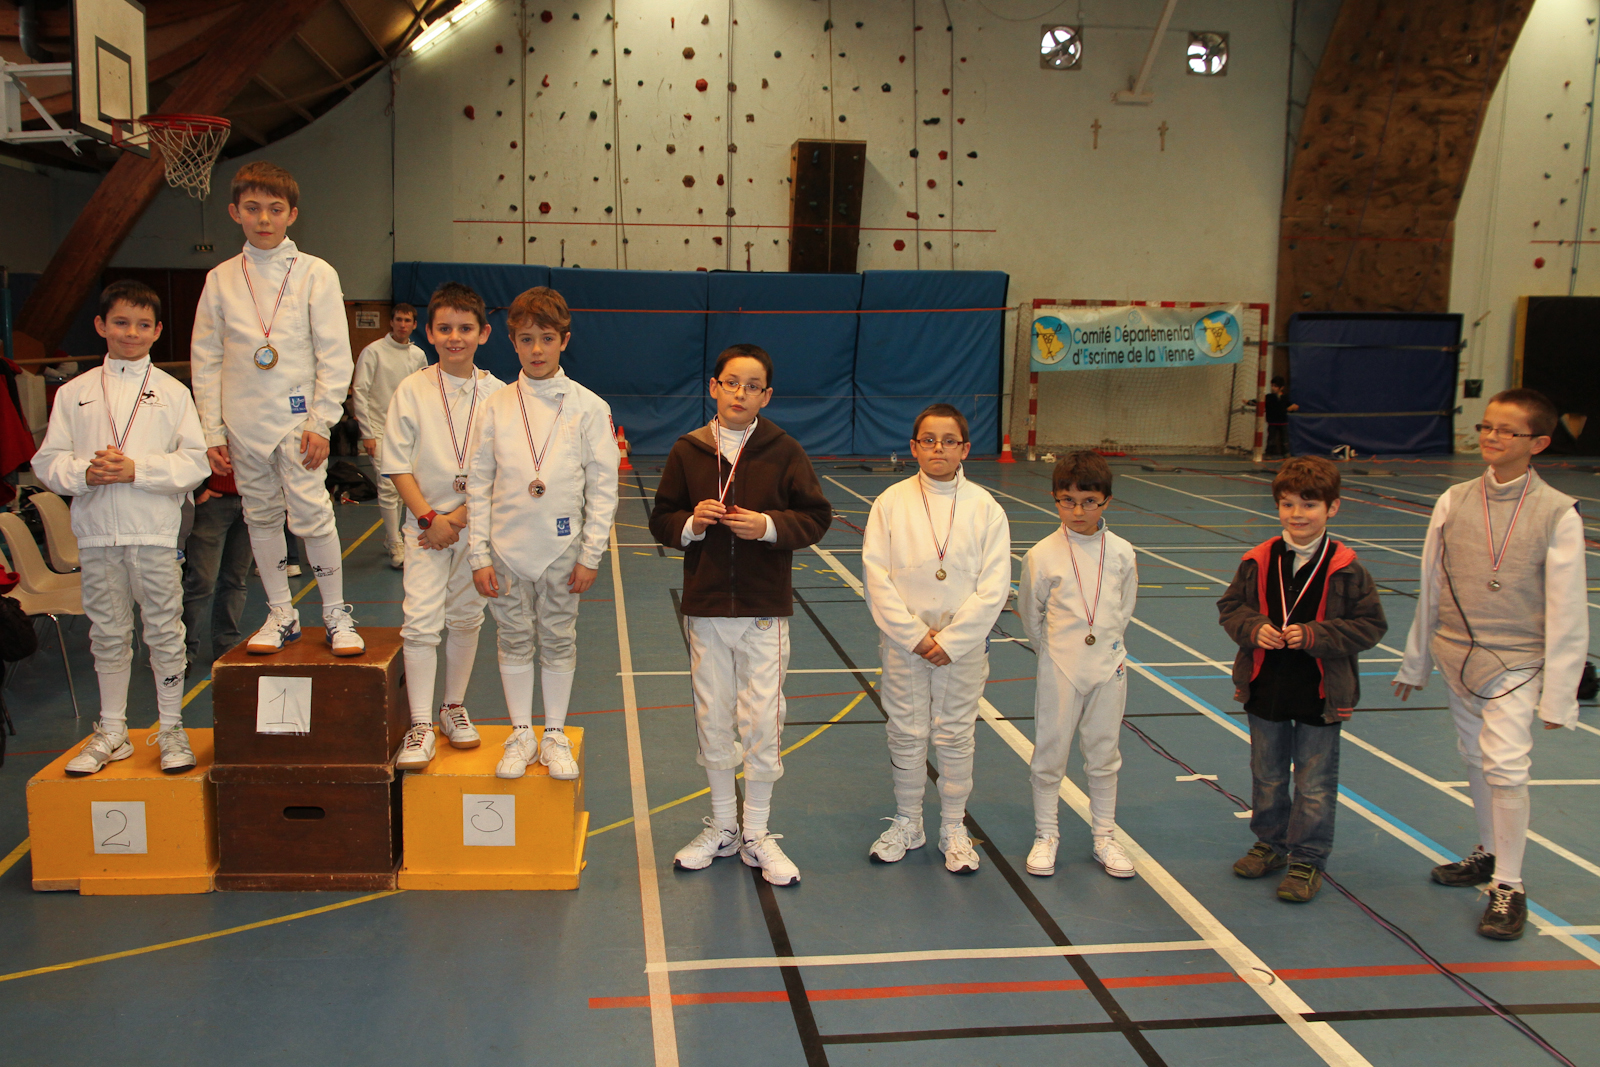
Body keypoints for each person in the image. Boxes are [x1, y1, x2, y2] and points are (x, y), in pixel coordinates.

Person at [1393, 389, 1585, 940]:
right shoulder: (1454, 500)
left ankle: (1509, 884)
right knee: (1475, 758)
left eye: (1507, 430)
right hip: (1457, 653)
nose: (1492, 437)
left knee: (1506, 765)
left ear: (1538, 443)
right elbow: (1431, 582)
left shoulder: (1558, 512)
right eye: (1487, 426)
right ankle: (1488, 851)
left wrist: (1561, 696)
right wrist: (1416, 662)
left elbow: (1569, 610)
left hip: (1516, 660)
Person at [649, 344, 832, 886]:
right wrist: (691, 523)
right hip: (706, 609)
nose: (740, 393)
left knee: (762, 720)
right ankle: (724, 826)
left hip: (763, 611)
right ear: (714, 387)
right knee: (713, 719)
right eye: (731, 383)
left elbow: (815, 516)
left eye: (752, 386)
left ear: (766, 396)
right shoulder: (689, 450)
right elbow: (662, 519)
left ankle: (756, 830)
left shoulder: (784, 450)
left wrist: (769, 526)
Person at [34, 280, 210, 775]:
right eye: (120, 322)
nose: (131, 333)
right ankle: (112, 730)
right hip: (97, 534)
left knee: (164, 631)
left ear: (156, 331)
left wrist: (138, 470)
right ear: (101, 326)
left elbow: (195, 462)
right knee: (108, 634)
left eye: (142, 325)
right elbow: (47, 461)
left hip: (153, 532)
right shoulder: (75, 393)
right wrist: (83, 474)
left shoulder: (173, 393)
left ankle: (171, 727)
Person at [190, 161, 364, 657]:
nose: (263, 219)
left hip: (299, 423)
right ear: (234, 213)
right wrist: (212, 432)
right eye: (252, 208)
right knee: (260, 517)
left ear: (292, 214)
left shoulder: (315, 273)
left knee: (313, 515)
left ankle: (335, 614)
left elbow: (335, 354)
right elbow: (206, 358)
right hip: (242, 424)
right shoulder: (221, 278)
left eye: (274, 209)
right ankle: (281, 613)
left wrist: (322, 422)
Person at [1218, 456, 1386, 902]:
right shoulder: (1257, 560)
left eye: (1309, 505)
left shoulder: (1348, 568)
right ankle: (1271, 844)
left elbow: (1371, 625)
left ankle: (1308, 858)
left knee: (1314, 783)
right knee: (1267, 775)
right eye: (1288, 504)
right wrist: (1253, 628)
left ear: (1333, 508)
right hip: (1266, 688)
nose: (1297, 514)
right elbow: (1230, 608)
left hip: (1319, 694)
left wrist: (1316, 635)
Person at [468, 287, 619, 780]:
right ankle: (521, 732)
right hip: (506, 549)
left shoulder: (589, 407)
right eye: (526, 339)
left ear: (564, 340)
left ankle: (553, 733)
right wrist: (478, 555)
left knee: (557, 637)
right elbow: (478, 484)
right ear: (512, 341)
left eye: (547, 338)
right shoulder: (494, 406)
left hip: (562, 548)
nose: (536, 349)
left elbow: (603, 486)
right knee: (513, 637)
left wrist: (591, 554)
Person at [861, 404, 1010, 873]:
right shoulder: (890, 503)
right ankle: (909, 821)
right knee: (906, 732)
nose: (938, 449)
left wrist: (953, 640)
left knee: (955, 733)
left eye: (948, 441)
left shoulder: (986, 508)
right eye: (928, 440)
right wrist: (913, 635)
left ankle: (952, 827)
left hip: (960, 649)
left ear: (965, 449)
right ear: (914, 447)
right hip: (905, 644)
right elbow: (876, 576)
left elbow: (995, 585)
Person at [386, 284, 505, 770]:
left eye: (465, 328)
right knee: (420, 622)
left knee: (467, 617)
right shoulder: (411, 390)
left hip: (475, 528)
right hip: (424, 529)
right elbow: (397, 464)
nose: (455, 337)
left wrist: (457, 519)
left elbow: (503, 473)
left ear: (484, 333)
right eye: (445, 328)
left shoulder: (499, 395)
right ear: (430, 333)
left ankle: (452, 706)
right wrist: (430, 518)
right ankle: (419, 724)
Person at [1018, 451, 1140, 880]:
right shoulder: (1041, 555)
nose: (1077, 511)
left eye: (1089, 501)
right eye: (1067, 501)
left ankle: (1104, 836)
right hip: (1060, 667)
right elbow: (1030, 615)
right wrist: (1056, 653)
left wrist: (1104, 649)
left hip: (1108, 666)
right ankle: (1046, 834)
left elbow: (1123, 609)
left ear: (1106, 501)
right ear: (1055, 498)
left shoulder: (1122, 552)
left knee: (1104, 755)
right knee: (1050, 753)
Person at [353, 302, 427, 569]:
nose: (402, 325)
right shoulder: (373, 352)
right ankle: (396, 542)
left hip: (407, 430)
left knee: (404, 487)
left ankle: (392, 536)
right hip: (379, 429)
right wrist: (367, 433)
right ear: (391, 322)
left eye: (407, 320)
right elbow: (360, 391)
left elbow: (423, 392)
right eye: (398, 319)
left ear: (414, 325)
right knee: (387, 486)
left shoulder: (418, 355)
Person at [181, 470, 253, 674]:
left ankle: (227, 647)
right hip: (212, 501)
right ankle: (183, 651)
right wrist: (198, 489)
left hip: (251, 500)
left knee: (236, 580)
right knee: (202, 582)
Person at [1264, 376, 1298, 459]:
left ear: (1281, 387)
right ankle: (1269, 453)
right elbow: (1259, 401)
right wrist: (1249, 402)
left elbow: (1291, 406)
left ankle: (1285, 453)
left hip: (1283, 422)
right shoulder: (1269, 397)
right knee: (1271, 439)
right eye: (1272, 386)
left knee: (1284, 439)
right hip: (1272, 422)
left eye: (1275, 386)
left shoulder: (1285, 398)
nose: (1273, 388)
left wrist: (1293, 407)